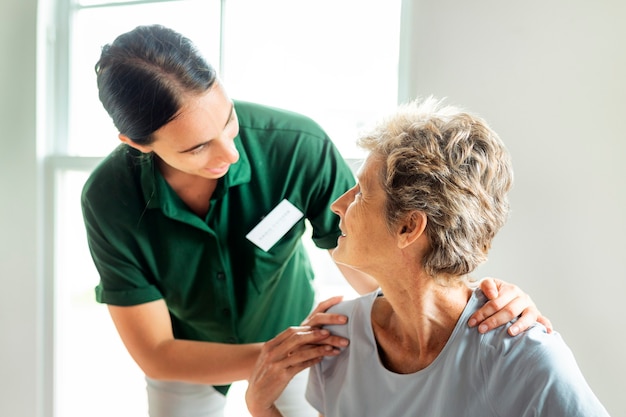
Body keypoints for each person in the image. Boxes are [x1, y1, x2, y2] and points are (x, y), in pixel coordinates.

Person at [82, 24, 550, 417]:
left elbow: (374, 256)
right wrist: (272, 357)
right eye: (196, 147)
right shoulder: (108, 199)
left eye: (228, 121)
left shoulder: (296, 146)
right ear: (137, 143)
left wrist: (468, 307)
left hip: (295, 336)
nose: (229, 151)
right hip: (190, 358)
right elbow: (157, 353)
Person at [245, 97, 609, 417]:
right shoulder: (337, 335)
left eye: (360, 194)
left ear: (409, 227)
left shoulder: (521, 355)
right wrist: (261, 408)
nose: (338, 205)